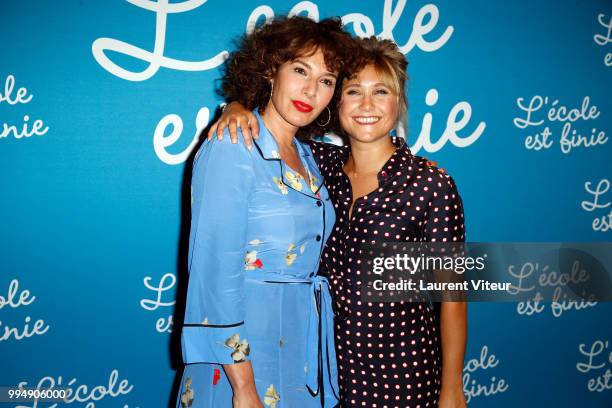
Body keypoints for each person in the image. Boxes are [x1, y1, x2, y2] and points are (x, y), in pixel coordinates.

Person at [209, 36, 468, 408]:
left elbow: (453, 298)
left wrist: (452, 389)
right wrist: (235, 106)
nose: (367, 105)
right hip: (326, 374)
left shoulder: (429, 183)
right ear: (337, 102)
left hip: (405, 375)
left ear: (399, 102)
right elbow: (273, 120)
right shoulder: (317, 164)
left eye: (381, 92)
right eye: (353, 91)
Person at [176, 16, 359, 408]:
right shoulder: (233, 145)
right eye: (299, 70)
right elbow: (214, 274)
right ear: (270, 70)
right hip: (240, 365)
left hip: (299, 354)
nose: (311, 90)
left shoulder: (310, 158)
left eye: (326, 81)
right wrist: (243, 388)